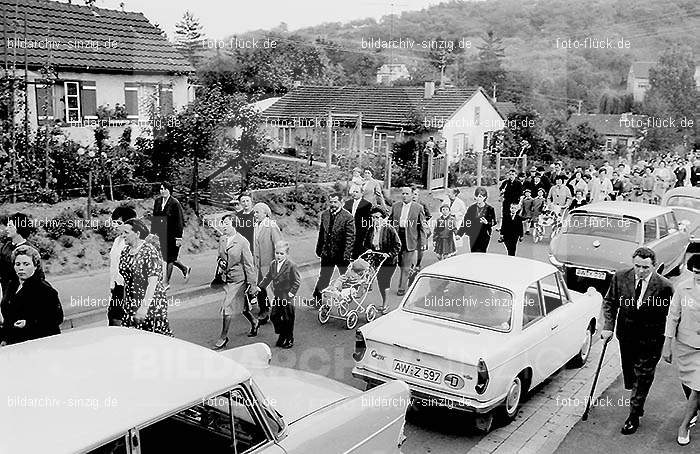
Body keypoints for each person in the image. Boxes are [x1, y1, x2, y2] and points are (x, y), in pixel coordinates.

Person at [601, 247, 673, 435]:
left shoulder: (665, 286)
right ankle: (638, 403)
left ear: (654, 266)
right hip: (626, 336)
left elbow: (671, 315)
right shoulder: (620, 277)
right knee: (631, 377)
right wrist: (608, 326)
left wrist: (669, 342)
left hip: (651, 340)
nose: (640, 271)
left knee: (642, 377)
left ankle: (633, 416)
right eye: (637, 266)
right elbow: (610, 302)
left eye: (645, 268)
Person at [662, 255, 700, 445]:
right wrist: (667, 345)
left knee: (698, 387)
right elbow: (673, 316)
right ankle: (694, 410)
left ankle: (684, 425)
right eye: (696, 272)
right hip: (685, 344)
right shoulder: (683, 288)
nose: (698, 276)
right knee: (688, 382)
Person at [119, 219, 173, 337]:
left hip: (150, 303)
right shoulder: (125, 251)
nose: (123, 236)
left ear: (137, 234)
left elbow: (152, 283)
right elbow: (126, 280)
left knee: (155, 340)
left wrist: (144, 308)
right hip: (131, 303)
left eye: (126, 233)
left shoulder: (149, 251)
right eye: (122, 232)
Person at [0, 245, 63, 346]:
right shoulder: (12, 286)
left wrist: (28, 323)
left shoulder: (44, 289)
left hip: (38, 343)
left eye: (26, 264)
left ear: (35, 266)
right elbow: (8, 317)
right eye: (17, 264)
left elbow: (57, 318)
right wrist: (4, 338)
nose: (21, 268)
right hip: (15, 344)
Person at [213, 214, 258, 349]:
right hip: (227, 278)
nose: (224, 226)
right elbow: (220, 256)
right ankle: (254, 321)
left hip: (239, 280)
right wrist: (220, 263)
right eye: (223, 223)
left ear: (234, 225)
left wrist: (252, 284)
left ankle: (223, 337)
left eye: (227, 224)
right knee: (242, 306)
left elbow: (249, 264)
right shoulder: (222, 239)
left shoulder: (242, 242)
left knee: (228, 307)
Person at [312, 193, 355, 303]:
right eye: (331, 202)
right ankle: (317, 299)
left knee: (345, 277)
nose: (333, 204)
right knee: (324, 276)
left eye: (335, 202)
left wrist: (347, 254)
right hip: (327, 253)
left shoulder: (348, 217)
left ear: (341, 202)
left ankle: (347, 296)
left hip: (341, 254)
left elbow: (350, 237)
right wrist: (319, 249)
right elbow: (322, 233)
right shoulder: (325, 215)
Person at [258, 241, 300, 349]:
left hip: (287, 296)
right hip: (278, 295)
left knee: (288, 318)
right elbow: (268, 277)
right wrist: (260, 286)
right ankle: (282, 334)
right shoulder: (273, 264)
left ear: (287, 254)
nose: (279, 256)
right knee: (274, 316)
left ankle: (289, 338)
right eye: (277, 253)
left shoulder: (291, 265)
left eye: (282, 254)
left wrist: (291, 293)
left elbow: (296, 281)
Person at [151, 182, 191, 288]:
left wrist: (178, 237)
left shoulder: (175, 203)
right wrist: (153, 233)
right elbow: (155, 218)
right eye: (161, 189)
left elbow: (179, 221)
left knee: (169, 258)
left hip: (172, 235)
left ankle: (166, 283)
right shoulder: (158, 201)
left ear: (169, 190)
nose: (162, 191)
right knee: (167, 257)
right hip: (161, 234)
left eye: (164, 189)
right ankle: (184, 268)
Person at [362, 206, 401, 313]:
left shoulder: (389, 229)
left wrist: (389, 254)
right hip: (376, 259)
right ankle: (382, 299)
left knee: (384, 280)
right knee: (378, 281)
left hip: (389, 261)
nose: (375, 220)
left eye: (378, 217)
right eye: (373, 218)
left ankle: (385, 304)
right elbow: (365, 244)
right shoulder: (370, 229)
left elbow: (397, 245)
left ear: (383, 218)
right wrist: (368, 250)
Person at [389, 187, 426, 295]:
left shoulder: (418, 208)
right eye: (403, 193)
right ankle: (411, 270)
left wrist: (423, 242)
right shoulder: (396, 206)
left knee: (405, 265)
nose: (404, 195)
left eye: (407, 193)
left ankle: (401, 288)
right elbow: (390, 222)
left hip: (410, 238)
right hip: (397, 236)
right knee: (400, 263)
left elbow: (422, 227)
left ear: (411, 195)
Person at [252, 202, 283, 325]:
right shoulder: (256, 225)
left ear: (265, 213)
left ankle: (280, 312)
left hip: (270, 264)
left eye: (257, 212)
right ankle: (264, 311)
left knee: (274, 290)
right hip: (259, 264)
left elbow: (279, 245)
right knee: (260, 288)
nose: (255, 214)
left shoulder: (271, 225)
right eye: (254, 212)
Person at [0, 213, 44, 294]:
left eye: (10, 226)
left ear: (18, 228)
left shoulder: (31, 250)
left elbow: (40, 276)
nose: (6, 229)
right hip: (7, 295)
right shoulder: (5, 247)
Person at [108, 205, 137, 326]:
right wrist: (111, 286)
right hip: (116, 287)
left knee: (120, 322)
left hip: (128, 289)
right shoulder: (117, 241)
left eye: (118, 222)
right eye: (113, 222)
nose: (114, 225)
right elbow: (113, 265)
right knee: (112, 318)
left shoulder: (132, 243)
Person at [457, 186, 497, 253]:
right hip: (473, 234)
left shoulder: (490, 209)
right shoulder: (471, 208)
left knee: (482, 253)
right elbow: (466, 221)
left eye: (480, 196)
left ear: (485, 197)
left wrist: (487, 223)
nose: (478, 198)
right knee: (473, 252)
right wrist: (459, 234)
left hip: (484, 235)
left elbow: (494, 223)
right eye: (477, 196)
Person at [344, 185, 372, 259]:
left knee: (358, 251)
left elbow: (367, 220)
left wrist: (363, 231)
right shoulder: (347, 203)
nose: (354, 194)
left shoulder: (367, 204)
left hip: (360, 231)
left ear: (362, 193)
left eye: (357, 192)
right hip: (348, 230)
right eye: (353, 191)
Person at [412, 186, 432, 268]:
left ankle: (418, 263)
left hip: (421, 229)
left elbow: (429, 215)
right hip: (411, 228)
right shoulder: (408, 204)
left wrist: (422, 220)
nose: (414, 196)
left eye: (415, 194)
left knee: (421, 247)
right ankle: (411, 264)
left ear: (418, 195)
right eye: (412, 194)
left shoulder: (422, 204)